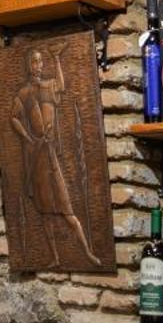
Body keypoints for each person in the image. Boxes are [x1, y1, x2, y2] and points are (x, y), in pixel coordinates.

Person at [7, 45, 99, 267]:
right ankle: (55, 258)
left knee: (66, 208)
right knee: (45, 211)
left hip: (51, 153)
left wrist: (57, 59)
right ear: (28, 66)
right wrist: (29, 138)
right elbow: (14, 118)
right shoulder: (24, 93)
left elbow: (62, 85)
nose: (37, 66)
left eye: (40, 61)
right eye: (34, 62)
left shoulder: (48, 86)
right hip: (37, 155)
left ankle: (87, 252)